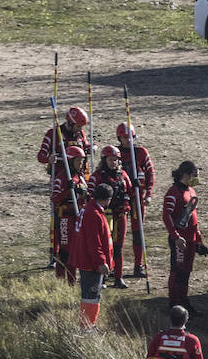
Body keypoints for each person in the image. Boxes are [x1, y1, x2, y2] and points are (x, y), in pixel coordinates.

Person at [38, 106, 90, 267]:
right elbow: (41, 156)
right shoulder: (53, 134)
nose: (80, 130)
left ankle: (76, 250)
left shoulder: (80, 134)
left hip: (77, 178)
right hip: (59, 179)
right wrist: (49, 159)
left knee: (78, 214)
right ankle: (55, 254)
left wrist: (90, 148)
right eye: (78, 126)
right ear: (70, 122)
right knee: (57, 217)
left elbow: (85, 147)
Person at [162, 160, 207, 314]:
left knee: (187, 271)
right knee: (178, 271)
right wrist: (175, 237)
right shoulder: (173, 193)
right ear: (186, 175)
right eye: (195, 175)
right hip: (179, 240)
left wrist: (198, 239)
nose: (197, 179)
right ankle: (174, 304)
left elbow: (193, 216)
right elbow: (166, 216)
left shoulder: (191, 191)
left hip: (191, 238)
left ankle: (184, 301)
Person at [88, 145, 133, 288]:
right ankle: (100, 278)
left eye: (115, 160)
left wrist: (137, 186)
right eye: (110, 159)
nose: (113, 162)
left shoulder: (123, 175)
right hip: (103, 216)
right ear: (104, 159)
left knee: (118, 247)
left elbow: (130, 191)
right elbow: (89, 196)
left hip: (120, 215)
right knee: (103, 246)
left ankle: (118, 277)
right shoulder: (96, 176)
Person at [70, 183, 115, 327]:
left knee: (90, 297)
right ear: (107, 199)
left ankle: (87, 324)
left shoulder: (88, 209)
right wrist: (101, 262)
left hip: (88, 262)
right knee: (91, 297)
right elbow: (94, 243)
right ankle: (87, 326)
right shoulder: (94, 214)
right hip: (91, 264)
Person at [116, 122, 155, 278]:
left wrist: (149, 194)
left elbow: (151, 173)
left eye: (131, 137)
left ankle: (138, 265)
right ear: (119, 137)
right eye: (125, 138)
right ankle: (115, 266)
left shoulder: (141, 152)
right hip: (119, 199)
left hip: (138, 198)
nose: (128, 141)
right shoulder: (115, 153)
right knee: (118, 233)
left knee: (138, 233)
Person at [51, 145, 88, 282]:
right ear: (70, 161)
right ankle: (61, 280)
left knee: (75, 251)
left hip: (79, 217)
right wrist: (67, 190)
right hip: (65, 218)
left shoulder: (81, 176)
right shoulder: (61, 178)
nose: (81, 164)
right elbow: (54, 199)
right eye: (78, 161)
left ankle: (72, 281)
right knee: (66, 251)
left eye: (82, 161)